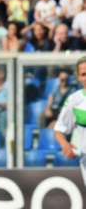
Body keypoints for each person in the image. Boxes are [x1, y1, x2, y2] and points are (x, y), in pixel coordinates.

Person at [54, 56, 86, 186]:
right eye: (84, 74)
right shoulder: (74, 100)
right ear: (78, 77)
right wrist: (65, 145)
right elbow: (59, 129)